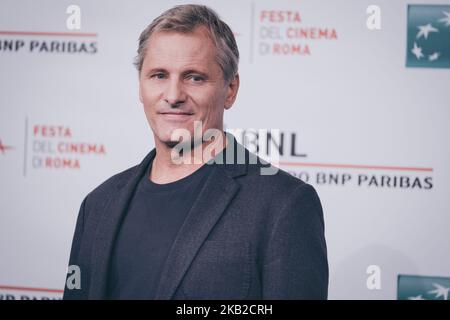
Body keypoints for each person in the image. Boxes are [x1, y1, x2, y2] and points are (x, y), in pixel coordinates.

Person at [63, 4, 328, 300]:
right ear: (141, 86)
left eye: (194, 77)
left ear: (230, 90)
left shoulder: (283, 205)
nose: (174, 95)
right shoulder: (98, 205)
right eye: (159, 75)